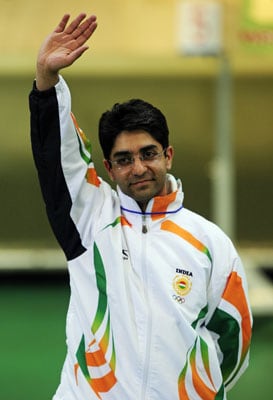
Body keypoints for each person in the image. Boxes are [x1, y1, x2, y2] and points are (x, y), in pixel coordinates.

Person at [29, 13, 252, 400]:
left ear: (168, 155)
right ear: (109, 169)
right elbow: (58, 159)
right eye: (124, 159)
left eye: (148, 153)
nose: (138, 167)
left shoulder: (210, 244)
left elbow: (232, 343)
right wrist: (46, 83)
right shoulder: (90, 219)